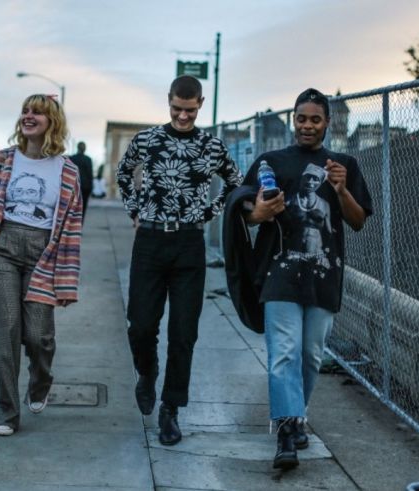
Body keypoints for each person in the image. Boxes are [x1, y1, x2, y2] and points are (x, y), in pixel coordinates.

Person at [236, 88, 373, 470]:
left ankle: (297, 415)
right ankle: (286, 430)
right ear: (294, 120)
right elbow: (245, 211)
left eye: (315, 119)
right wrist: (261, 210)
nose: (307, 126)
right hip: (279, 271)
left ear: (327, 123)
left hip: (323, 275)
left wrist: (342, 189)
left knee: (311, 355)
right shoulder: (271, 160)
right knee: (284, 352)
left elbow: (358, 221)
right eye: (301, 118)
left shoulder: (342, 164)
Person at [116, 75, 243, 446]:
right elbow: (125, 173)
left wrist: (210, 212)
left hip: (190, 243)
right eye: (176, 109)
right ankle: (147, 369)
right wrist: (134, 210)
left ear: (200, 104)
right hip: (150, 241)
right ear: (168, 101)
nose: (183, 116)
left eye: (189, 110)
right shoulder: (147, 140)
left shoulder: (211, 146)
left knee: (183, 332)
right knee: (140, 324)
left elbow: (236, 182)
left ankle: (171, 409)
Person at [0, 94, 82, 437]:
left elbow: (72, 228)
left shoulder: (68, 171)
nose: (29, 116)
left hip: (45, 255)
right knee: (7, 328)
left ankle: (41, 379)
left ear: (52, 122)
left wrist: (68, 280)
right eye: (26, 111)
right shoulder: (2, 161)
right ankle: (8, 410)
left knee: (39, 336)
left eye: (38, 113)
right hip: (2, 250)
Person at [68, 141, 94, 219]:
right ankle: (79, 225)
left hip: (73, 186)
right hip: (85, 187)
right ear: (84, 149)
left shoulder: (72, 158)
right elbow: (90, 174)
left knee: (72, 207)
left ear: (77, 148)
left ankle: (71, 225)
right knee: (83, 207)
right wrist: (91, 187)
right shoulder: (88, 159)